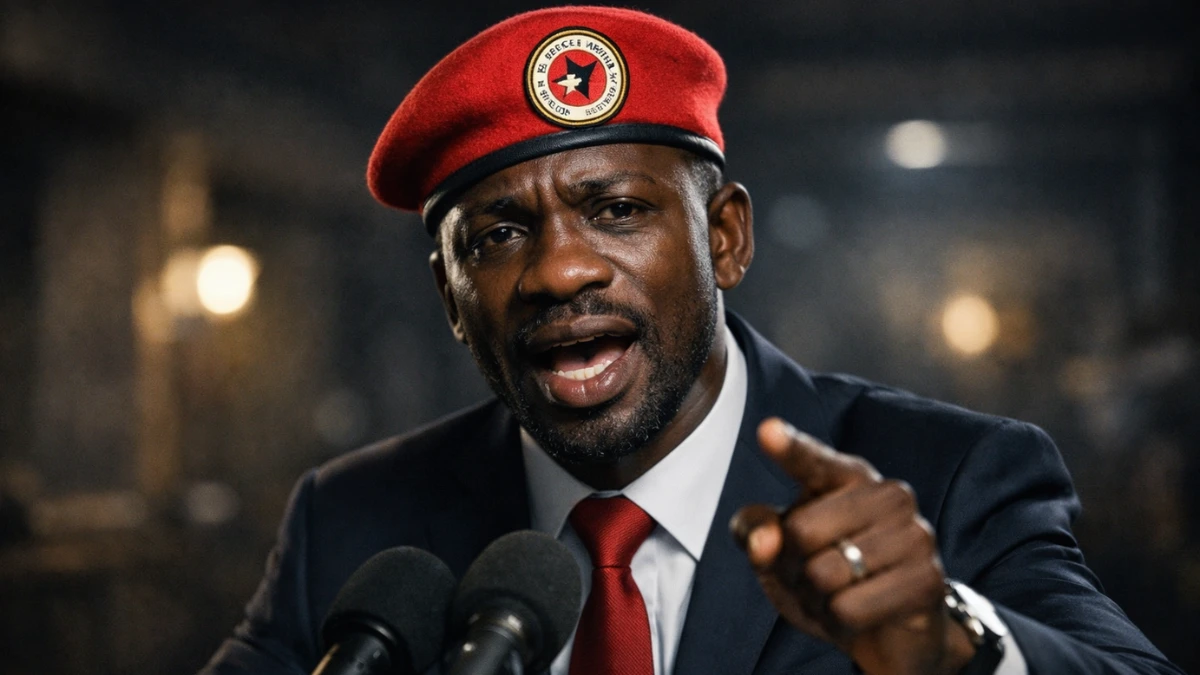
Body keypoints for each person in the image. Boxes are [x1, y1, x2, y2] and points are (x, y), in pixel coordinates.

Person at [199, 7, 1181, 675]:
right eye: (498, 236)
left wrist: (951, 638)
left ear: (726, 238)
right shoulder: (354, 520)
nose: (559, 271)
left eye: (618, 210)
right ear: (452, 299)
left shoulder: (949, 475)